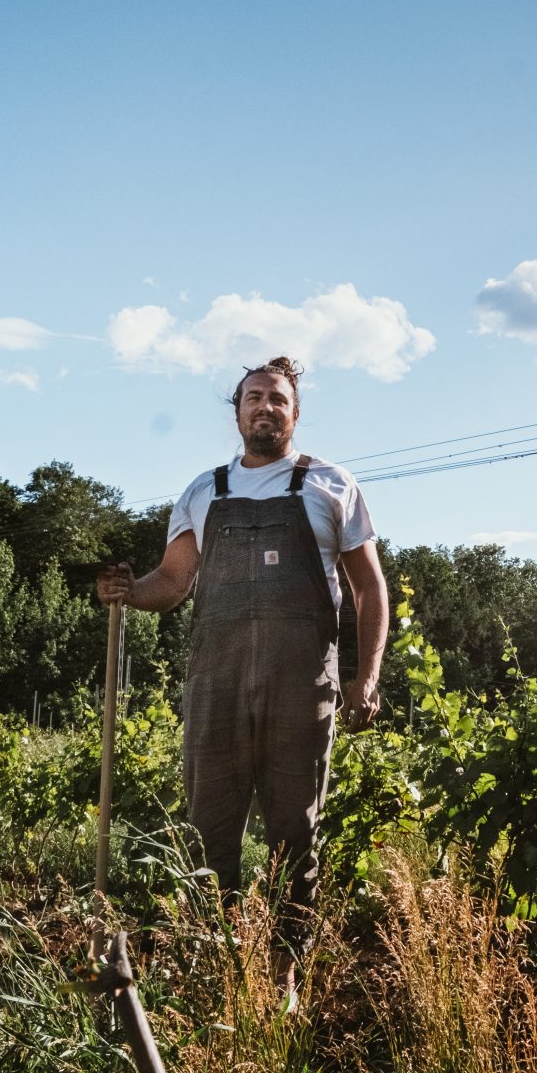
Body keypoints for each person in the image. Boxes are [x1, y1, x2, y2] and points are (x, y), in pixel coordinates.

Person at [97, 356, 388, 961]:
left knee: (294, 830)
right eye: (253, 397)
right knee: (210, 827)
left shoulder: (331, 484)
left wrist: (367, 676)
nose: (265, 407)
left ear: (295, 412)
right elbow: (172, 584)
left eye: (277, 399)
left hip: (300, 682)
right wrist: (130, 588)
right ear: (237, 412)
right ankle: (217, 957)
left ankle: (286, 966)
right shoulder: (204, 491)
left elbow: (370, 589)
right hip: (218, 683)